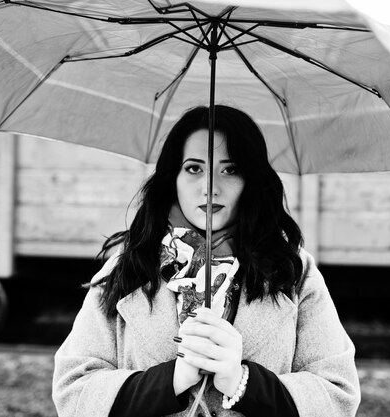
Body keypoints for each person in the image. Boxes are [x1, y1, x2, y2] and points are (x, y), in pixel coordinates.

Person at [52, 105, 361, 417]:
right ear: (172, 177)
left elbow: (338, 394)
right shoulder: (128, 267)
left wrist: (244, 383)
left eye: (230, 170)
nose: (210, 187)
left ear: (250, 179)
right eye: (194, 168)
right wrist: (170, 380)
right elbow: (73, 391)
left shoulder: (294, 271)